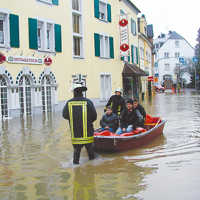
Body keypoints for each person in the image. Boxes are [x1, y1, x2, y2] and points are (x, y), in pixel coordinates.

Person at [62, 83, 97, 165]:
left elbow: (64, 115)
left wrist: (74, 120)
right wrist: (88, 122)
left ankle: (76, 170)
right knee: (90, 153)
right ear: (82, 92)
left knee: (76, 152)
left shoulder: (69, 103)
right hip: (88, 133)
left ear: (74, 92)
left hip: (75, 134)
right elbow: (94, 116)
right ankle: (92, 171)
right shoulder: (88, 102)